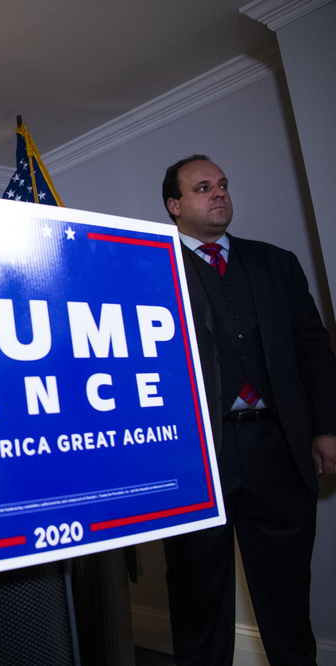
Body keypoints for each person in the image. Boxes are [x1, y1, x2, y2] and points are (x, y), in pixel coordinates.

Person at [160, 155, 336, 665]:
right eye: (202, 188)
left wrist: (327, 427)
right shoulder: (151, 267)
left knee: (286, 605)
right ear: (175, 205)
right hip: (197, 458)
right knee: (199, 604)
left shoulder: (276, 263)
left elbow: (313, 349)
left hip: (277, 450)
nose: (218, 193)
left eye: (222, 185)